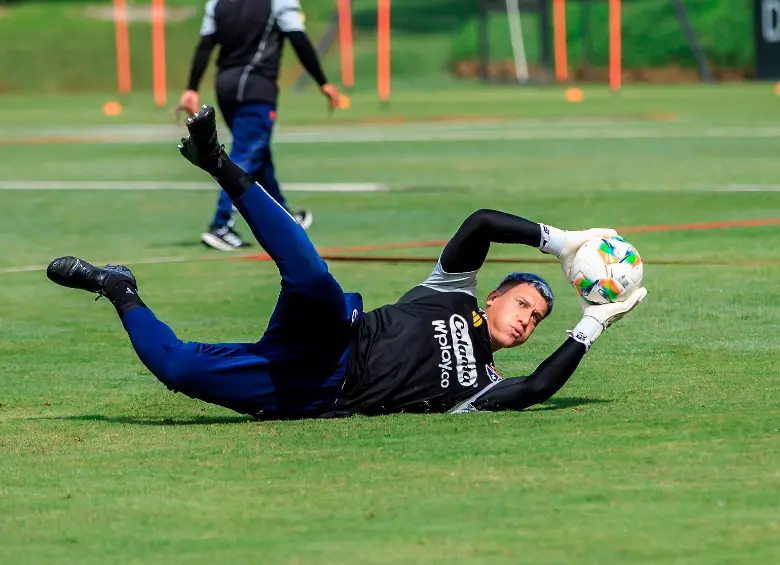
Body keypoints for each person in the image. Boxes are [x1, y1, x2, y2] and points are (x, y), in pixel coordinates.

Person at [46, 106, 648, 419]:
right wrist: (564, 241)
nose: (526, 321)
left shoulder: (480, 387)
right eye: (524, 304)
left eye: (537, 320)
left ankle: (118, 286)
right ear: (493, 295)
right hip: (337, 330)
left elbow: (538, 388)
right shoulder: (452, 292)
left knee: (179, 370)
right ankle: (218, 163)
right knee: (310, 276)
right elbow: (483, 222)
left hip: (318, 392)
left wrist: (591, 323)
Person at [178, 0, 341, 251]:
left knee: (259, 154)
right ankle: (220, 225)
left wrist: (191, 88)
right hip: (256, 88)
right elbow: (298, 38)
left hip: (226, 89)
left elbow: (205, 46)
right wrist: (322, 81)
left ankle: (284, 217)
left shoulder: (217, 3)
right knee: (247, 153)